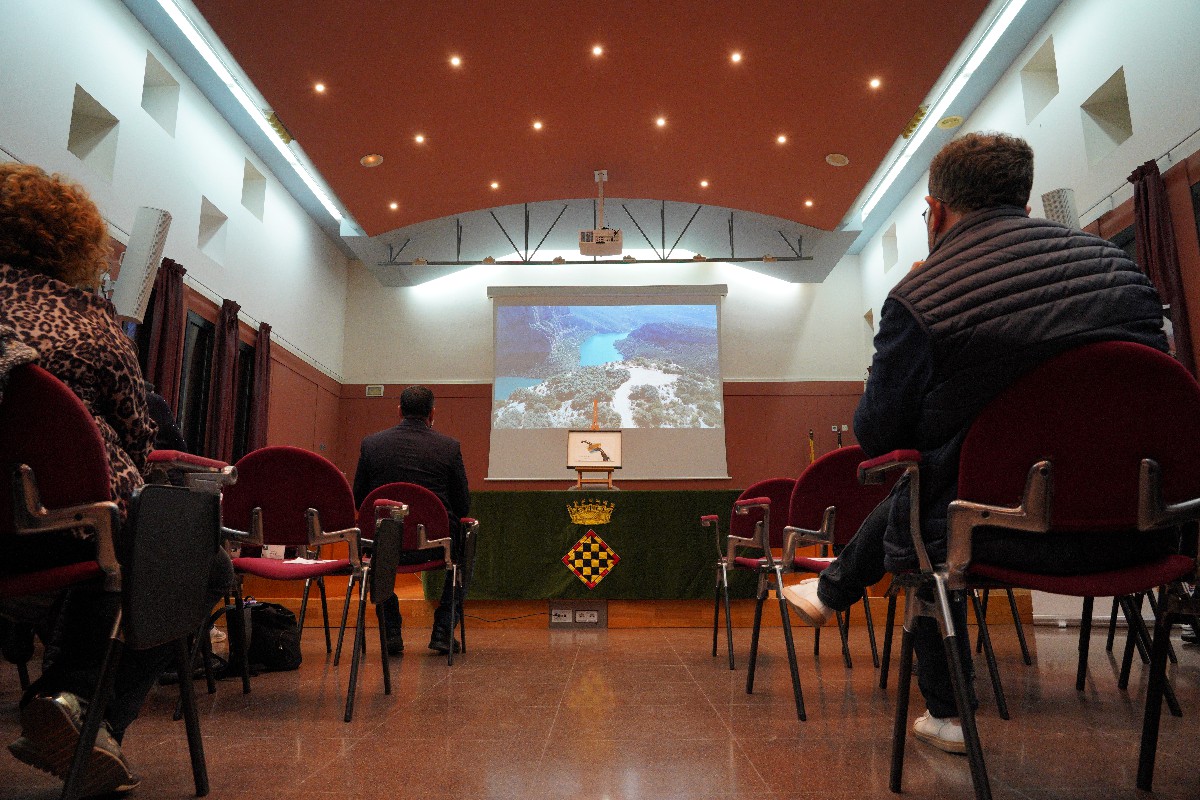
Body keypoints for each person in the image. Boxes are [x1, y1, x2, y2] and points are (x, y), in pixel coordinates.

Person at [781, 132, 1169, 754]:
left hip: (991, 535)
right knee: (947, 475)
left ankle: (950, 713)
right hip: (1143, 528)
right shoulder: (1120, 267)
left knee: (921, 505)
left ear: (934, 212)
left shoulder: (923, 296)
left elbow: (878, 436)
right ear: (1023, 200)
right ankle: (833, 591)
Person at [0, 163, 232, 794]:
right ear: (73, 245)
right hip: (69, 531)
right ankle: (88, 719)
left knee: (116, 556)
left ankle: (71, 706)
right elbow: (138, 437)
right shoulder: (90, 320)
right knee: (199, 560)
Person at [353, 385, 471, 655]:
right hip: (435, 547)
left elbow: (360, 500)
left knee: (374, 551)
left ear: (399, 411)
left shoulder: (372, 445)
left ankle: (390, 630)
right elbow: (462, 505)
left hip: (383, 545)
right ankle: (443, 630)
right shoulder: (449, 448)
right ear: (432, 414)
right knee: (467, 548)